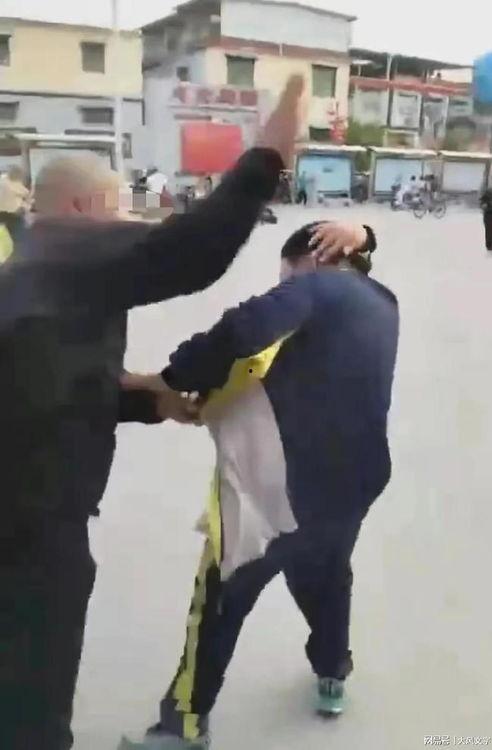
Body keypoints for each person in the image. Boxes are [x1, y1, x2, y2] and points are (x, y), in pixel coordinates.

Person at [0, 75, 305, 750]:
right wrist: (268, 158)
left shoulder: (33, 268)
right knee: (33, 685)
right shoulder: (69, 249)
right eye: (118, 211)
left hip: (22, 499)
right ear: (84, 206)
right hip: (29, 524)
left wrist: (146, 400)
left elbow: (42, 382)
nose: (126, 227)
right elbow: (188, 252)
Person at [119, 220, 398, 750]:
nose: (284, 284)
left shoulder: (315, 287)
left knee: (220, 600)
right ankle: (332, 671)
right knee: (325, 576)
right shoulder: (382, 302)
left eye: (285, 275)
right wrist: (365, 233)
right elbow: (287, 365)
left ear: (312, 259)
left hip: (277, 492)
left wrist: (170, 378)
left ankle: (182, 727)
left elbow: (242, 330)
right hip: (355, 482)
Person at [0, 165, 31, 255]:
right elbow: (26, 193)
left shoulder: (3, 180)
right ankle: (20, 250)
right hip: (13, 213)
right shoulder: (11, 184)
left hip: (5, 212)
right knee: (19, 235)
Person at [480, 174, 492, 252]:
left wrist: (488, 204)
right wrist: (483, 204)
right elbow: (482, 201)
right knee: (490, 230)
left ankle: (491, 245)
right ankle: (490, 246)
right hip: (489, 214)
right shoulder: (487, 192)